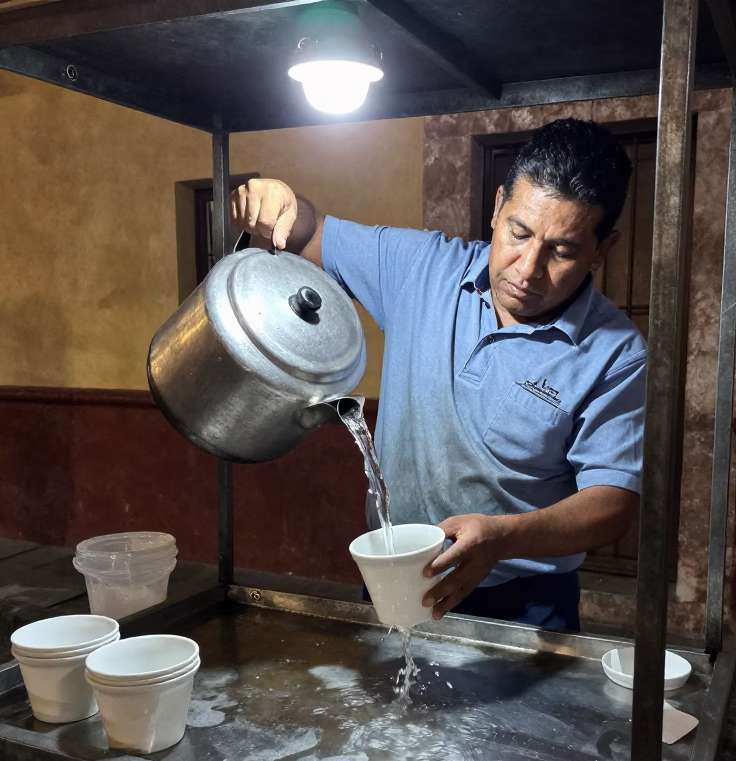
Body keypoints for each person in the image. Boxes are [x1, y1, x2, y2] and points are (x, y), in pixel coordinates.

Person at [230, 118, 645, 631]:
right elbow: (309, 232)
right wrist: (278, 203)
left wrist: (502, 538)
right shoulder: (420, 269)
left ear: (603, 249)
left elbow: (614, 502)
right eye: (518, 232)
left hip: (526, 604)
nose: (528, 268)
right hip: (397, 577)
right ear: (497, 208)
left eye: (563, 250)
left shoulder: (616, 352)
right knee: (386, 711)